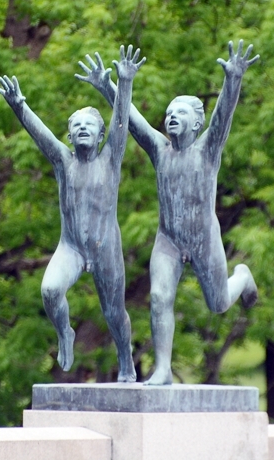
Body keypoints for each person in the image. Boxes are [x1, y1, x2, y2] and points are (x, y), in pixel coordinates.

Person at [78, 40, 259, 385]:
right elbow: (131, 121)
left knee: (219, 302)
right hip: (169, 242)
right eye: (169, 114)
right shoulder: (160, 151)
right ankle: (163, 369)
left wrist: (233, 79)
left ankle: (243, 276)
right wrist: (107, 85)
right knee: (159, 297)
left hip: (204, 238)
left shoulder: (207, 150)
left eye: (181, 114)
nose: (172, 117)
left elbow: (223, 116)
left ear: (196, 123)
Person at [0, 45, 145, 381]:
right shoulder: (64, 161)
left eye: (88, 126)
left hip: (106, 248)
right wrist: (20, 106)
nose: (81, 129)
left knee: (114, 312)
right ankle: (65, 332)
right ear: (69, 135)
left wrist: (124, 82)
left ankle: (125, 360)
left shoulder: (111, 158)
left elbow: (122, 122)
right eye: (75, 126)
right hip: (72, 248)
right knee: (49, 290)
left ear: (101, 134)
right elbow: (41, 135)